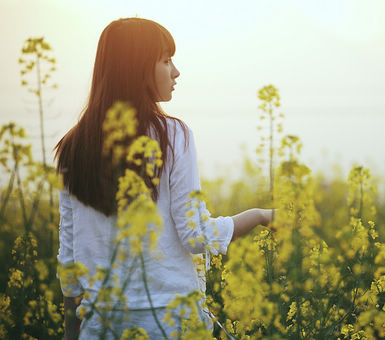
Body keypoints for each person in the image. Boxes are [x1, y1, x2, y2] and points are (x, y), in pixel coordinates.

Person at [54, 17, 273, 339]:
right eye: (166, 60)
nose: (176, 72)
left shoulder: (73, 146)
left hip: (102, 326)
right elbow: (195, 235)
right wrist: (259, 215)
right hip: (170, 323)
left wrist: (73, 329)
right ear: (136, 67)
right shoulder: (173, 135)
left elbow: (69, 258)